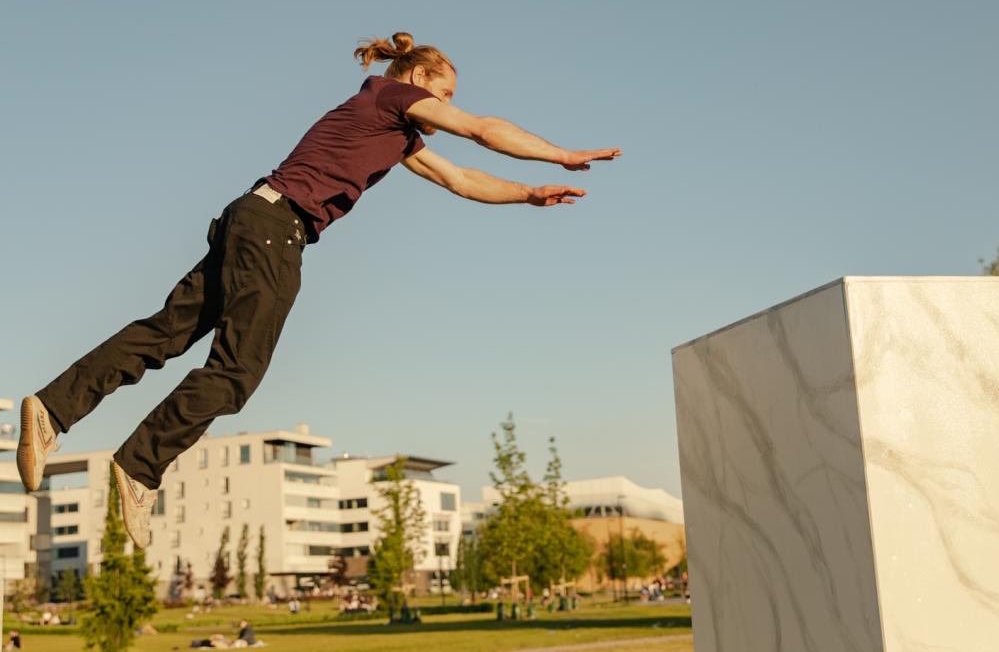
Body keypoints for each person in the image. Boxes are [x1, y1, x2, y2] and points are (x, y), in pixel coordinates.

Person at [16, 32, 621, 547]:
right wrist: (560, 156)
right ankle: (140, 465)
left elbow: (460, 178)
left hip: (249, 215)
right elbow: (481, 132)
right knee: (237, 372)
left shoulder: (394, 127)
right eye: (445, 94)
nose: (446, 107)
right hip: (277, 231)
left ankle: (52, 408)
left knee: (166, 332)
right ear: (416, 77)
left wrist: (528, 193)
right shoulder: (392, 93)